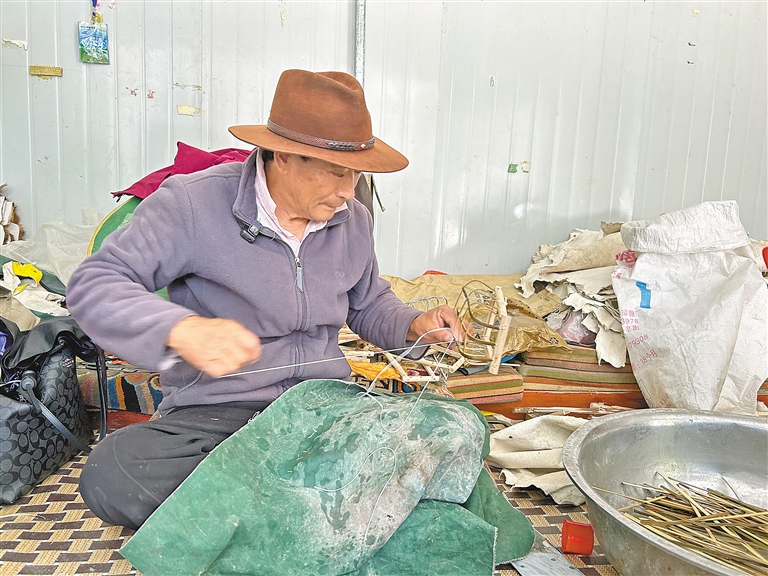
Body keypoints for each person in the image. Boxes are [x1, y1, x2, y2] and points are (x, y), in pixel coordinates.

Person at [66, 69, 464, 529]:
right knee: (114, 472)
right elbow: (95, 282)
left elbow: (368, 303)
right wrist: (180, 329)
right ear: (283, 156)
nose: (347, 191)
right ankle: (320, 507)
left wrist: (414, 325)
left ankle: (267, 511)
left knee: (452, 430)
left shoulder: (352, 219)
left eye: (357, 174)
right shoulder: (192, 204)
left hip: (325, 409)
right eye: (337, 172)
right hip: (218, 418)